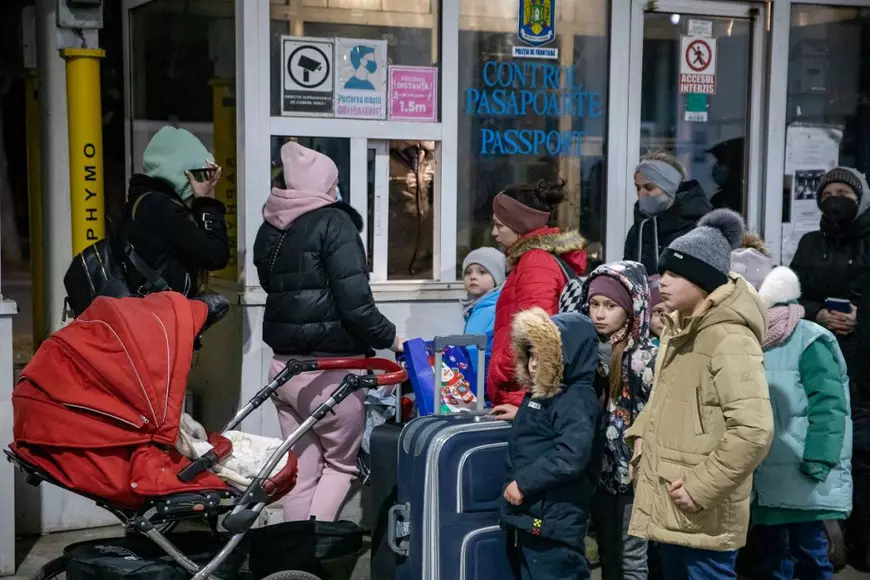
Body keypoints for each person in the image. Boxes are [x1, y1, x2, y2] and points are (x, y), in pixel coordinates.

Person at [253, 141, 401, 522]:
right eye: (334, 182)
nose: (337, 190)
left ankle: (294, 561)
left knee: (301, 473)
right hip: (331, 371)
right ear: (324, 184)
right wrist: (390, 337)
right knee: (340, 466)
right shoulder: (335, 222)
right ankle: (314, 555)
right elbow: (356, 303)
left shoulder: (272, 226)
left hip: (284, 372)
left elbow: (277, 288)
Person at [627, 209, 774, 579]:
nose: (663, 282)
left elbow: (753, 430)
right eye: (663, 272)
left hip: (701, 508)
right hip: (673, 500)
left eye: (676, 274)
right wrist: (642, 435)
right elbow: (669, 400)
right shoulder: (681, 331)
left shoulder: (729, 337)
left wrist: (699, 487)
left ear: (703, 279)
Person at [730, 248, 852, 579]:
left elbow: (830, 404)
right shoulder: (737, 337)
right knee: (770, 559)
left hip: (801, 470)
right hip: (762, 473)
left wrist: (819, 459)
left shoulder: (810, 339)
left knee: (810, 554)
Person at [790, 166, 870, 566]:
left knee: (862, 453)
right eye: (828, 192)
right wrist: (818, 313)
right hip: (817, 358)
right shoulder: (809, 243)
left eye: (845, 192)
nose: (835, 198)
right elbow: (789, 297)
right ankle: (823, 540)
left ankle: (861, 541)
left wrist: (861, 317)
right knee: (820, 444)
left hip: (863, 363)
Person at [500, 307, 602, 580]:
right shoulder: (544, 395)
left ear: (566, 358)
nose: (533, 363)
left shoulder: (576, 400)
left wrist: (524, 483)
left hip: (554, 519)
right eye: (530, 354)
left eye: (543, 355)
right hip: (536, 516)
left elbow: (571, 455)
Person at [487, 179, 588, 420]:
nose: (494, 233)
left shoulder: (535, 263)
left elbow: (536, 336)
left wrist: (500, 370)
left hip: (524, 395)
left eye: (499, 225)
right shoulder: (531, 260)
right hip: (523, 394)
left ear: (519, 226)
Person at [581, 261, 657, 580]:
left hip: (633, 475)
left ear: (631, 308)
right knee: (609, 550)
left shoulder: (645, 359)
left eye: (610, 306)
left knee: (632, 556)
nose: (600, 314)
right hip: (601, 470)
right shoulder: (590, 350)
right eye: (594, 305)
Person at [124, 126, 229, 296]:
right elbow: (215, 255)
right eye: (201, 174)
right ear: (182, 173)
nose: (204, 181)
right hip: (160, 316)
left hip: (150, 311)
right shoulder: (160, 208)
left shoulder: (144, 200)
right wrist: (207, 201)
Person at [624, 151, 713, 277]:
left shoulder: (700, 228)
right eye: (638, 188)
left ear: (670, 188)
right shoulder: (639, 230)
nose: (641, 194)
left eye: (649, 187)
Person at [461, 247, 506, 387]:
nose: (473, 276)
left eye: (482, 272)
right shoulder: (477, 306)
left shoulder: (492, 308)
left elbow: (474, 349)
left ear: (497, 277)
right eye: (468, 272)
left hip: (480, 380)